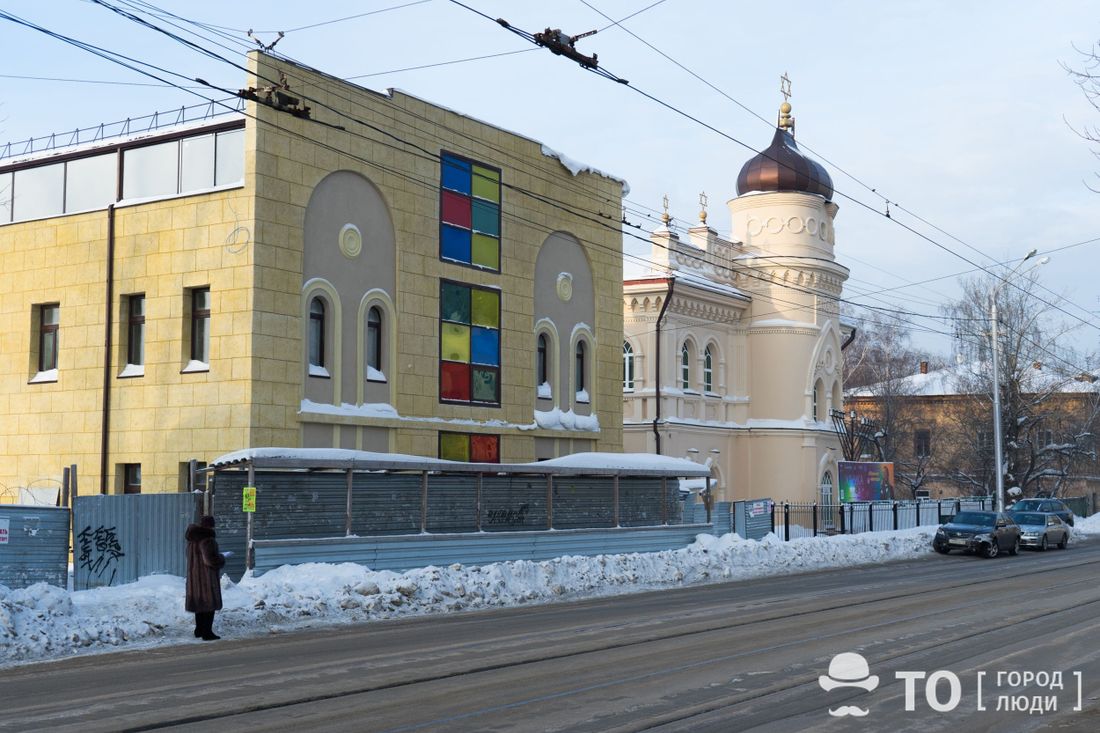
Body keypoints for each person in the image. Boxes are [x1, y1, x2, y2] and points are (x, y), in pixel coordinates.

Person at [185, 515, 226, 641]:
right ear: (211, 526)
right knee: (209, 606)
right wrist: (221, 558)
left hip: (194, 578)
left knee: (199, 606)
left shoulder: (192, 540)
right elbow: (210, 560)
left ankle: (198, 630)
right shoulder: (207, 540)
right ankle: (207, 633)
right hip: (206, 579)